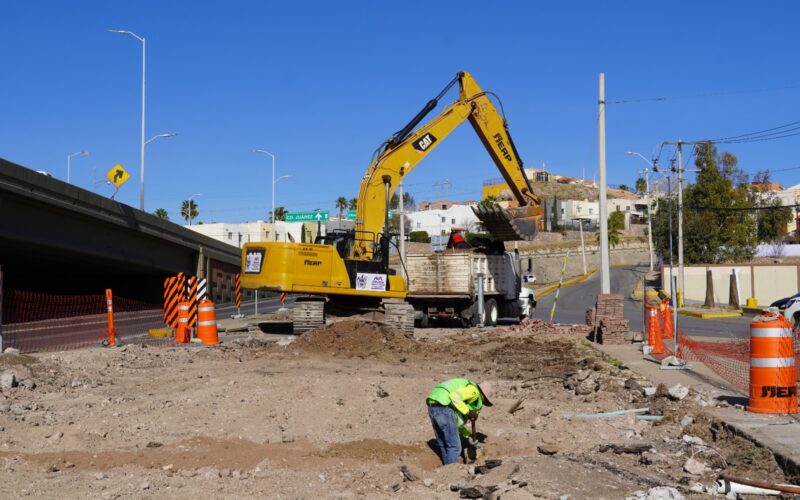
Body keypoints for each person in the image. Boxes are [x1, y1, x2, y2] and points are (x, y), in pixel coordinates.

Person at [426, 378, 493, 465]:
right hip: (443, 405)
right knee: (455, 447)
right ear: (483, 396)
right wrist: (468, 412)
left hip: (433, 404)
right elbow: (454, 396)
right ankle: (451, 472)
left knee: (443, 444)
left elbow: (454, 423)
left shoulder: (465, 386)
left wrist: (467, 434)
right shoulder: (474, 391)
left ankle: (446, 471)